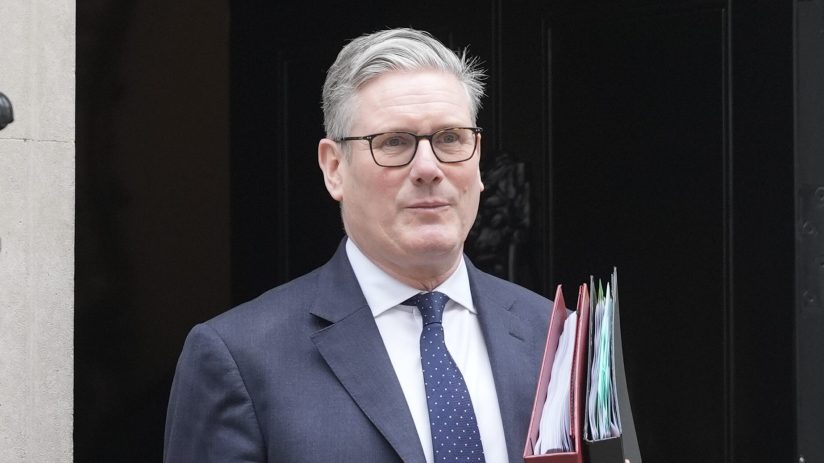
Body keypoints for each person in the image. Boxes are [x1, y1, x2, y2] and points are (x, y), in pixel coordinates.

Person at [164, 28, 550, 463]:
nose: (428, 168)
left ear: (477, 157)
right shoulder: (241, 357)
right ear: (334, 168)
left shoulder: (555, 336)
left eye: (450, 139)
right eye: (394, 142)